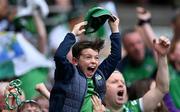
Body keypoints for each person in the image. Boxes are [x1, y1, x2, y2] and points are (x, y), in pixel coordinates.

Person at [49, 15, 121, 112]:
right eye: (88, 57)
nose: (93, 61)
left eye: (96, 57)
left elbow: (115, 57)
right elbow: (59, 56)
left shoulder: (99, 75)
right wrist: (72, 34)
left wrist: (115, 29)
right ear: (75, 61)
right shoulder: (68, 73)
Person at [92, 35, 170, 111]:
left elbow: (161, 89)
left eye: (123, 82)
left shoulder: (134, 108)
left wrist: (162, 56)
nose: (121, 84)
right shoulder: (94, 109)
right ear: (103, 89)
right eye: (114, 82)